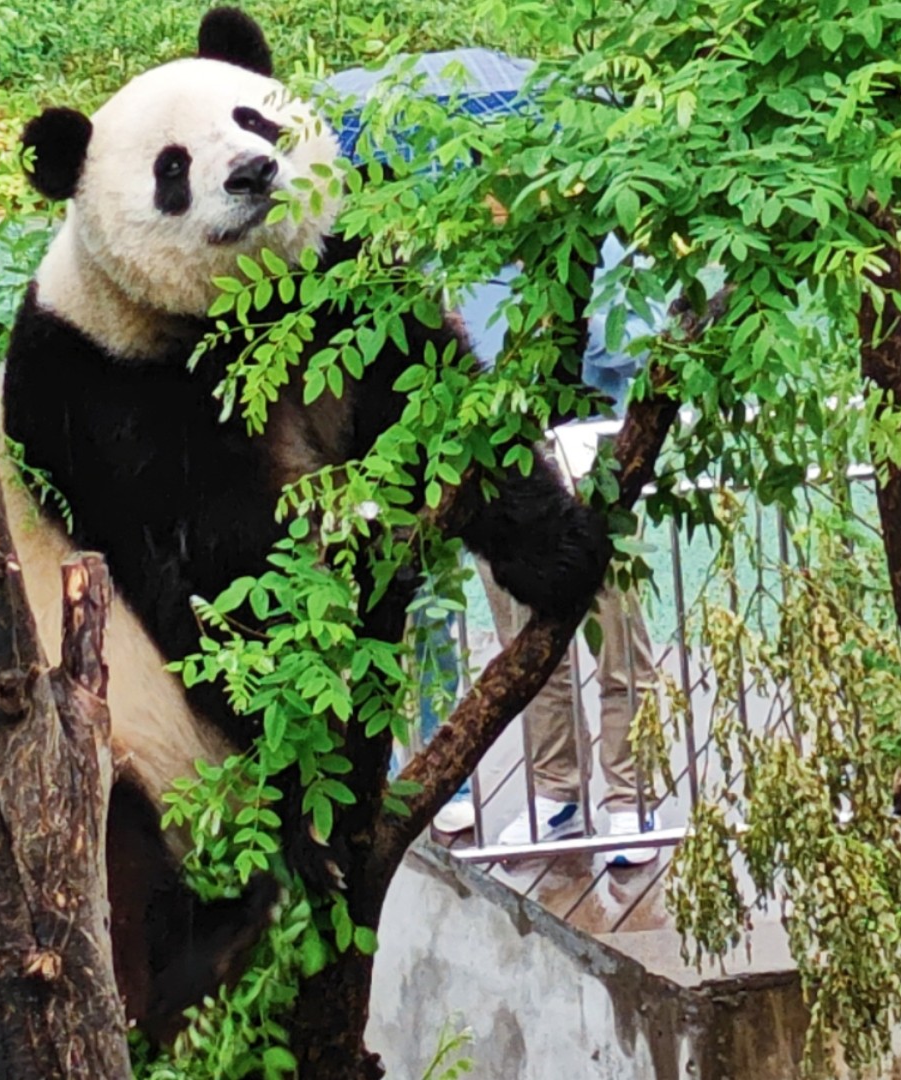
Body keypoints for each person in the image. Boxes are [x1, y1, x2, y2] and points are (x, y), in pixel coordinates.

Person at [327, 50, 664, 866]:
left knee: (618, 630)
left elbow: (631, 344)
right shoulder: (452, 254)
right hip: (506, 454)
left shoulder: (586, 229)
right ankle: (555, 792)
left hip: (592, 442)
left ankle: (630, 796)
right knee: (524, 634)